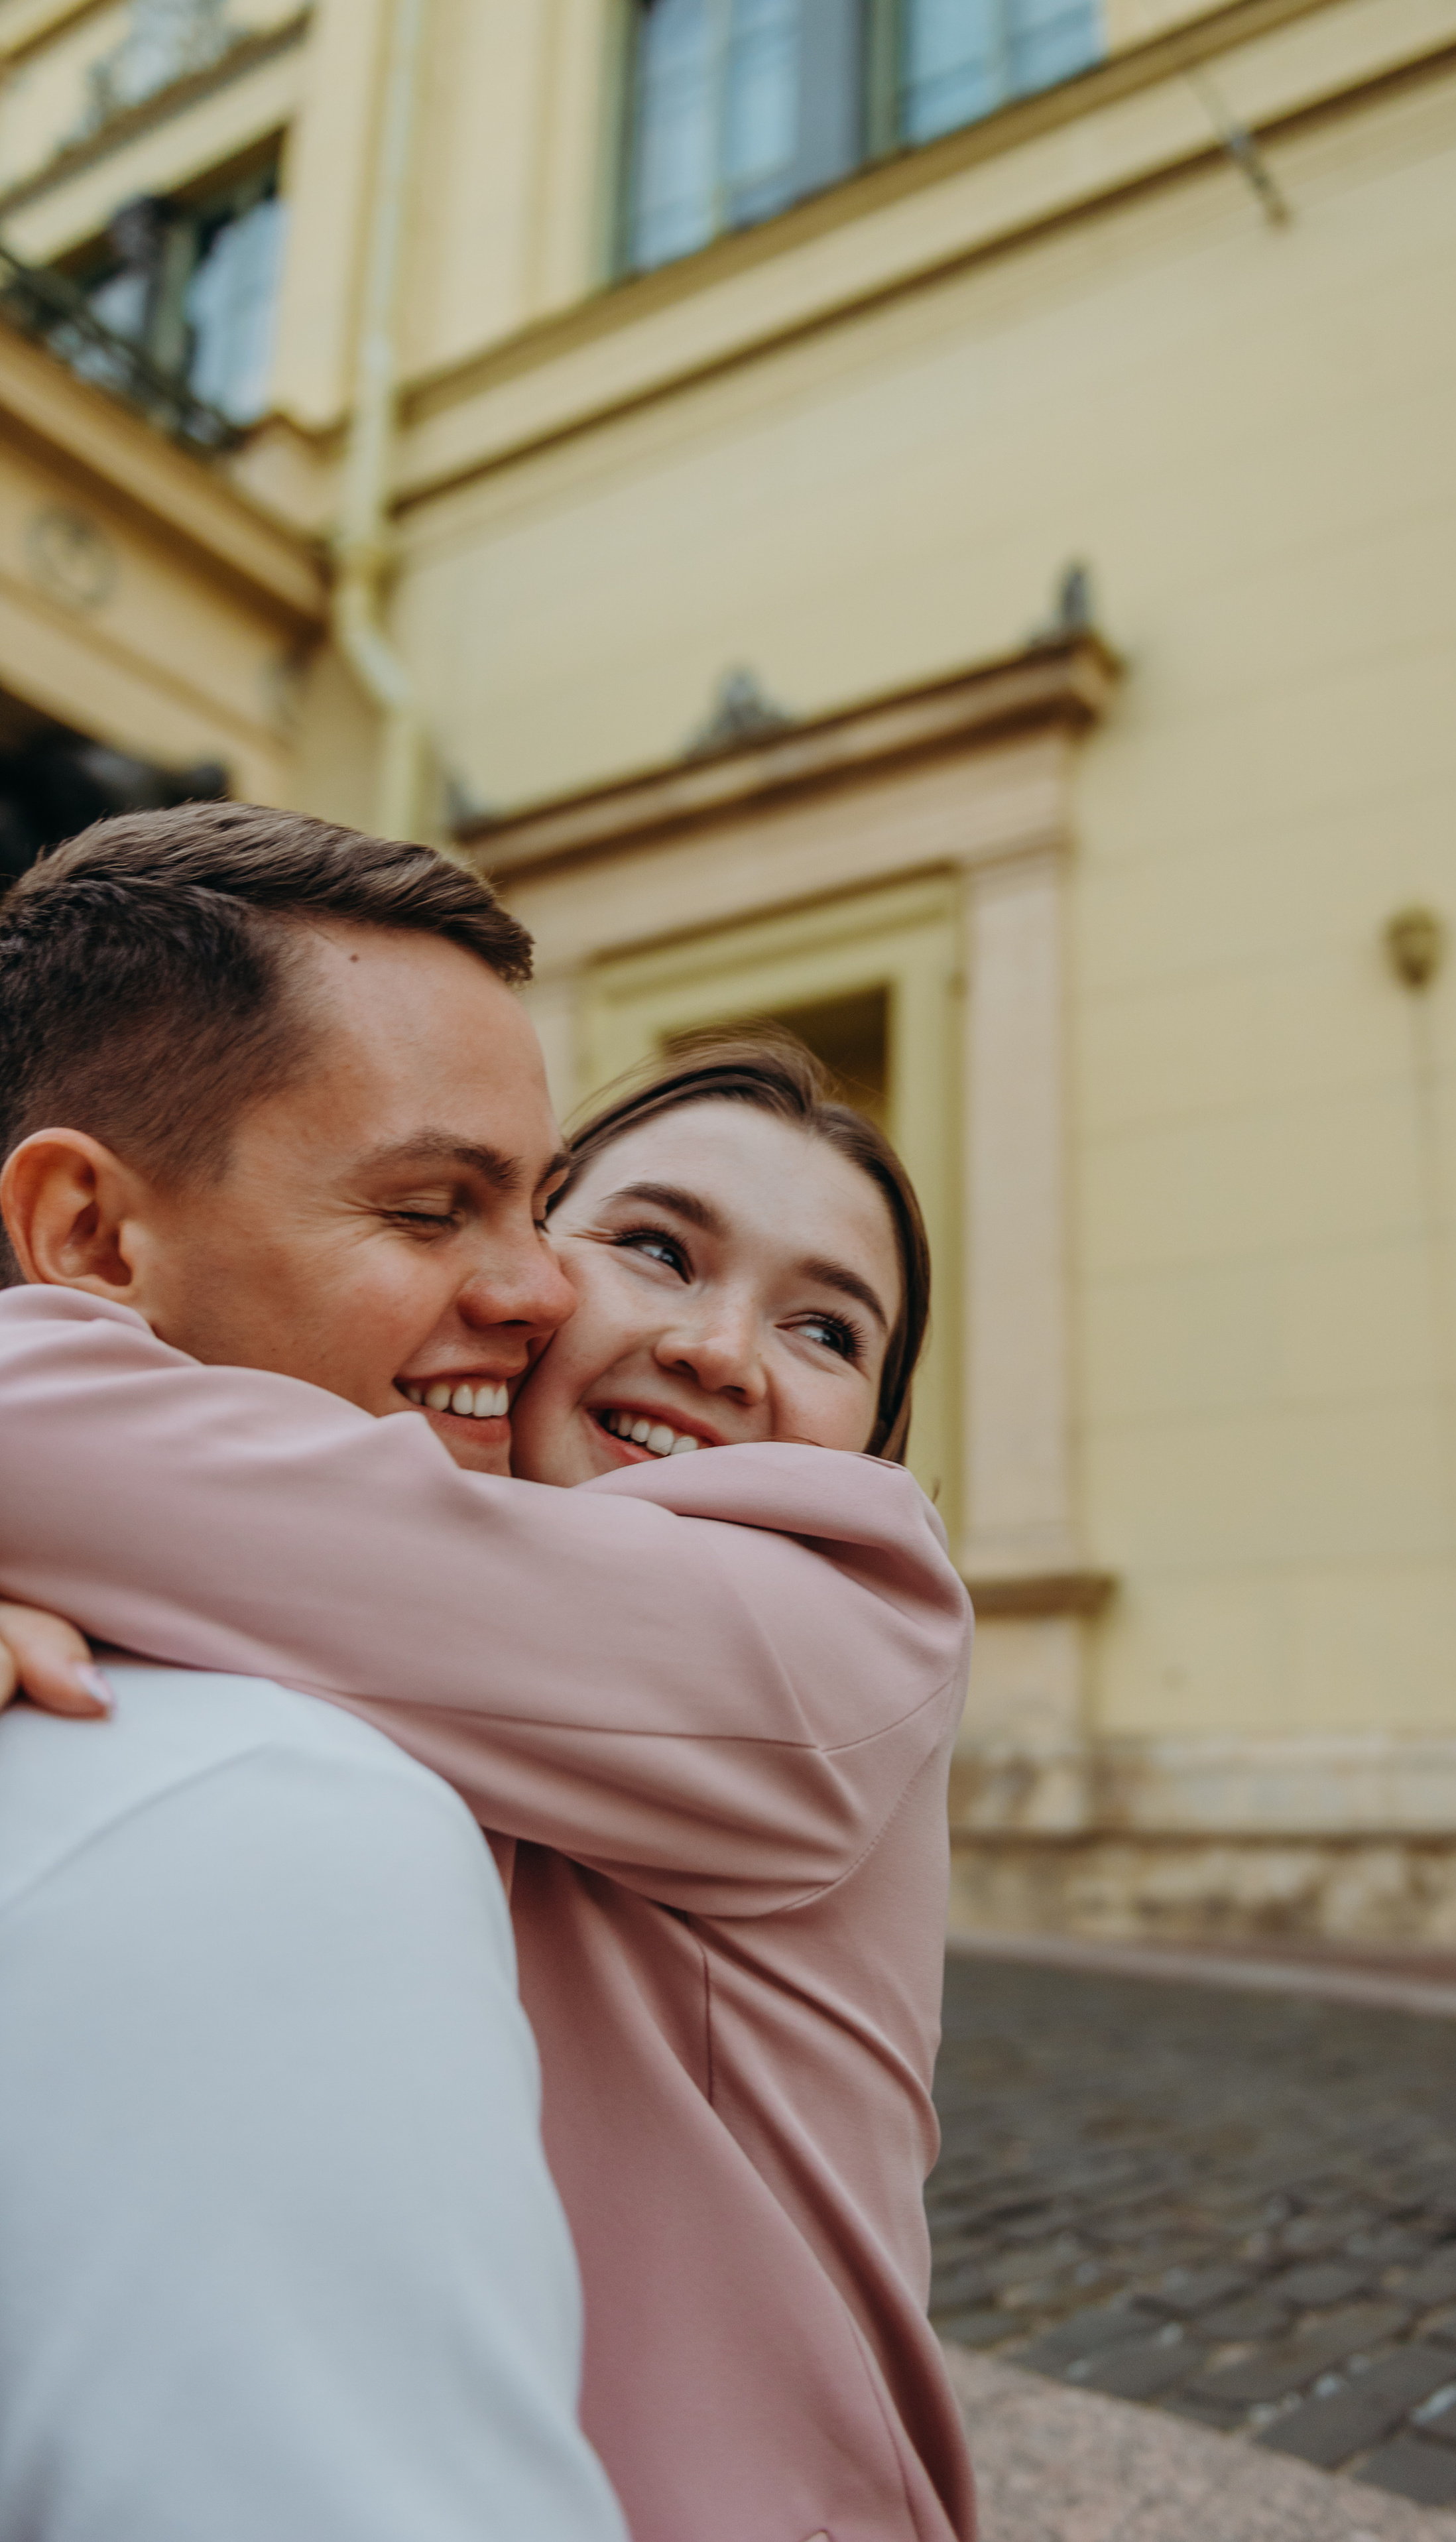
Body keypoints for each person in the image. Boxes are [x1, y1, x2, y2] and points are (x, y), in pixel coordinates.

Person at [0, 807, 977, 2542]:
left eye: (832, 1329)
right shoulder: (358, 1590)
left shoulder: (845, 1618)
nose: (714, 1347)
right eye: (651, 1245)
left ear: (877, 1439)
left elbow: (113, 1461)